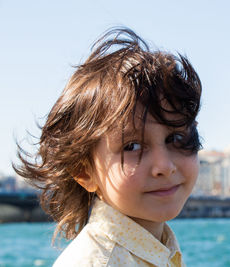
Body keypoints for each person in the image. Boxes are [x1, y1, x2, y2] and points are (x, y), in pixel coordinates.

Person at [13, 27, 202, 267]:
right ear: (84, 171)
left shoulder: (158, 248)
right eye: (132, 146)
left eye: (175, 138)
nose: (164, 166)